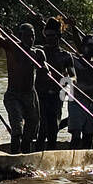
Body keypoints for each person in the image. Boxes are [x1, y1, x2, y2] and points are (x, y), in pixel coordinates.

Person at [0, 11, 45, 153]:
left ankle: (26, 155)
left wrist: (45, 70)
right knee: (17, 129)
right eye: (27, 36)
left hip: (30, 96)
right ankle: (14, 156)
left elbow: (45, 67)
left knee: (30, 132)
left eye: (32, 36)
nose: (30, 39)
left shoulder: (37, 53)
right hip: (13, 95)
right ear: (20, 37)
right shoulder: (11, 47)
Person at [36, 17, 71, 150]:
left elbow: (72, 76)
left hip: (57, 95)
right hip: (40, 94)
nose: (49, 38)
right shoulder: (39, 51)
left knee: (53, 128)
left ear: (59, 36)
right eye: (47, 35)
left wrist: (64, 81)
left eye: (53, 36)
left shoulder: (66, 55)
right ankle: (38, 150)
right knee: (42, 127)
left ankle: (51, 151)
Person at [69, 35, 93, 148]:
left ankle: (86, 157)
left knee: (88, 134)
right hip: (76, 101)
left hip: (91, 101)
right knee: (76, 134)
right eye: (90, 46)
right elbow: (66, 76)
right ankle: (73, 156)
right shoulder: (74, 61)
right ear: (83, 46)